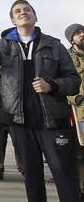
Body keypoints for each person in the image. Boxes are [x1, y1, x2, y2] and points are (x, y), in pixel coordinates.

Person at [0, 1, 81, 202]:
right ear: (12, 20)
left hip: (53, 122)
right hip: (20, 123)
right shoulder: (4, 45)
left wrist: (52, 85)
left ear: (35, 17)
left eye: (27, 10)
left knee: (65, 175)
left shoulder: (54, 45)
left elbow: (73, 80)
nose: (23, 13)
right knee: (33, 179)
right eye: (17, 11)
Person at [65, 23, 84, 196]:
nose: (82, 34)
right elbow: (60, 84)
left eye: (83, 31)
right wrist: (73, 97)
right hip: (79, 114)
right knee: (80, 155)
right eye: (78, 33)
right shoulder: (66, 59)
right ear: (72, 39)